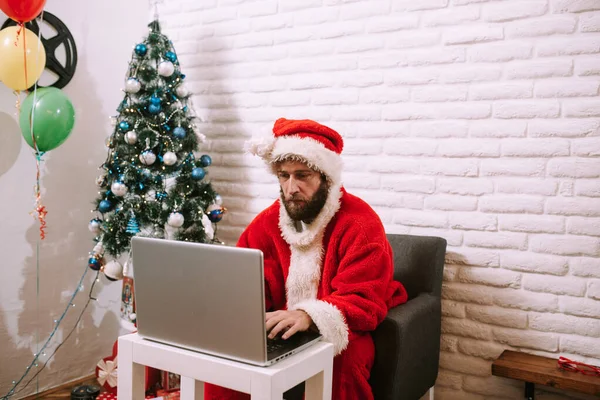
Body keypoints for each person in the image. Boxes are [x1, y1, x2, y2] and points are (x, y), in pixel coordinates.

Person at [204, 118, 408, 400]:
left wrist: (308, 315)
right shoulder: (265, 224)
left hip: (343, 327)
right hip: (280, 324)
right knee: (227, 358)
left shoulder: (361, 223)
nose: (291, 188)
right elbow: (243, 283)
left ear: (326, 177)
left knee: (342, 364)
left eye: (302, 175)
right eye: (283, 176)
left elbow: (363, 297)